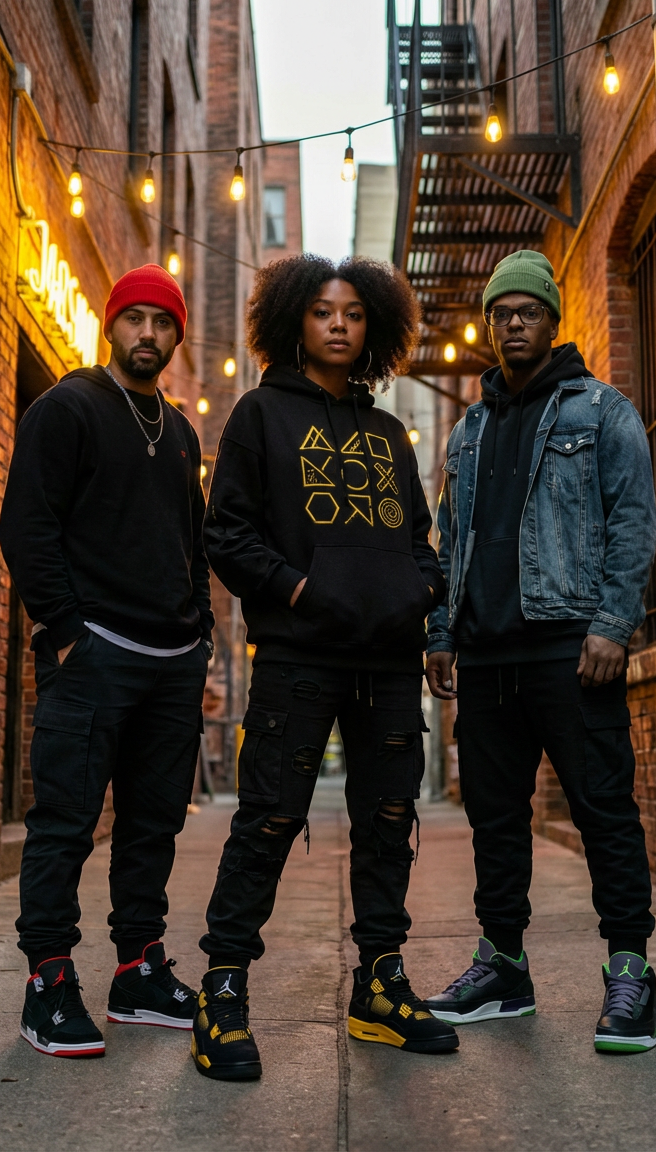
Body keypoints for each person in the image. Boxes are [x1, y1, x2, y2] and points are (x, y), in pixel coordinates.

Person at [190, 254, 459, 1081]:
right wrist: (302, 590)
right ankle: (222, 992)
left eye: (352, 313)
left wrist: (423, 597)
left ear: (371, 325)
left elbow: (418, 538)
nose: (339, 324)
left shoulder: (386, 434)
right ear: (294, 323)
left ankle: (380, 987)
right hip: (301, 656)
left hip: (385, 665)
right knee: (269, 817)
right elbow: (226, 535)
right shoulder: (260, 416)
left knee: (387, 825)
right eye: (321, 311)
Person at [423, 250, 656, 1055]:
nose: (513, 322)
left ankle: (630, 969)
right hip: (487, 659)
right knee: (496, 821)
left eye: (527, 310)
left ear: (553, 321)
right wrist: (442, 632)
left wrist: (613, 623)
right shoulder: (470, 428)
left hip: (572, 652)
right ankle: (504, 965)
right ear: (488, 324)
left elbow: (633, 520)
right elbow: (449, 538)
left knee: (604, 813)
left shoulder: (602, 410)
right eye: (501, 312)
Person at [0, 265, 212, 1058]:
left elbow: (192, 542)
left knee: (152, 825)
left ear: (176, 335)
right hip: (93, 656)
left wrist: (201, 637)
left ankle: (138, 970)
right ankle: (48, 981)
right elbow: (27, 526)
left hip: (171, 660)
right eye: (136, 319)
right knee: (63, 823)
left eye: (163, 322)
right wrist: (62, 629)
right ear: (111, 325)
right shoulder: (68, 408)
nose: (148, 334)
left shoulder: (183, 431)